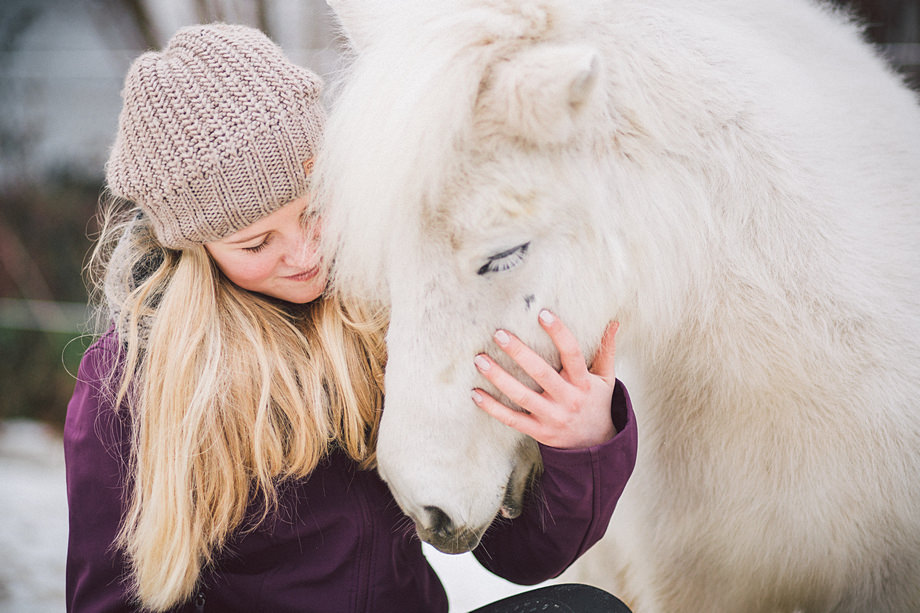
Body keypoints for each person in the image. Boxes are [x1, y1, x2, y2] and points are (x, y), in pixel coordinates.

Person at [64, 23, 638, 613]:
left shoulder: (386, 317)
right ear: (197, 248)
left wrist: (580, 446)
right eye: (257, 244)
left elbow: (519, 555)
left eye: (315, 210)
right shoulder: (128, 384)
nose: (306, 254)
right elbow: (109, 598)